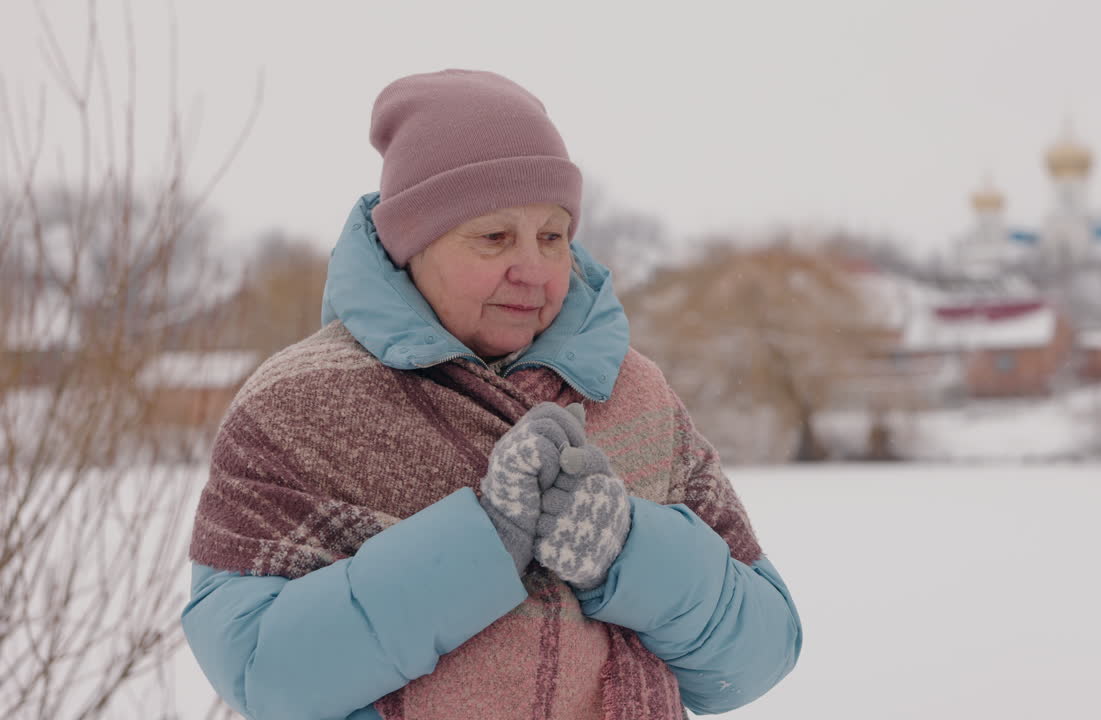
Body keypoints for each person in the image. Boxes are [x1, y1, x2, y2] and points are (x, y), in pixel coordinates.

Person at [181, 69, 801, 720]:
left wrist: (623, 549)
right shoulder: (300, 406)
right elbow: (262, 674)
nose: (532, 268)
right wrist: (482, 544)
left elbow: (756, 655)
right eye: (494, 237)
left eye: (552, 236)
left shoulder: (632, 392)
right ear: (410, 243)